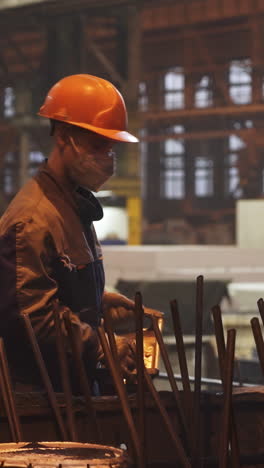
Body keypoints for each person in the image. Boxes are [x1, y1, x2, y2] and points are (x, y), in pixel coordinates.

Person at [0, 74, 154, 392]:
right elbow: (32, 318)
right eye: (99, 144)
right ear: (65, 137)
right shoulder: (33, 218)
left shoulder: (70, 205)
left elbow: (52, 287)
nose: (108, 156)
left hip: (69, 387)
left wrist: (95, 303)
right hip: (36, 399)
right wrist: (102, 346)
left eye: (111, 146)